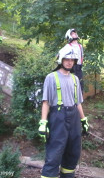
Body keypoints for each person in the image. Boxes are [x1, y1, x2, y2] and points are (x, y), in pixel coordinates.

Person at [38, 46, 89, 178]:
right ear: (61, 60)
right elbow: (46, 102)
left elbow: (78, 102)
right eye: (66, 59)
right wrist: (43, 122)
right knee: (55, 152)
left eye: (72, 60)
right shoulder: (51, 77)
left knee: (73, 151)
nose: (69, 62)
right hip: (58, 117)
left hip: (74, 118)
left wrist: (83, 120)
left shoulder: (75, 79)